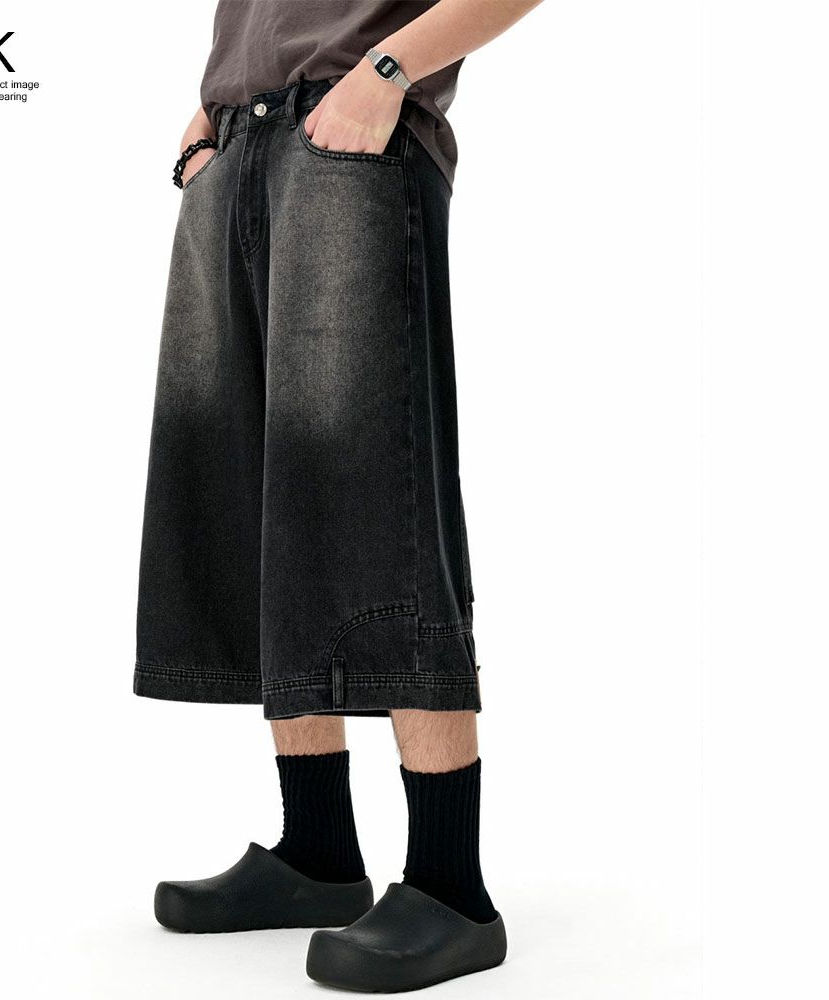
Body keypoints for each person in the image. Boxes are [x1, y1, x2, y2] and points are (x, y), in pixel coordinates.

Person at [135, 0, 544, 991]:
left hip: (351, 129)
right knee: (259, 499)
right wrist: (210, 113)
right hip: (238, 144)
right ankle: (317, 852)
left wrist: (387, 74)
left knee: (375, 506)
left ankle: (449, 886)